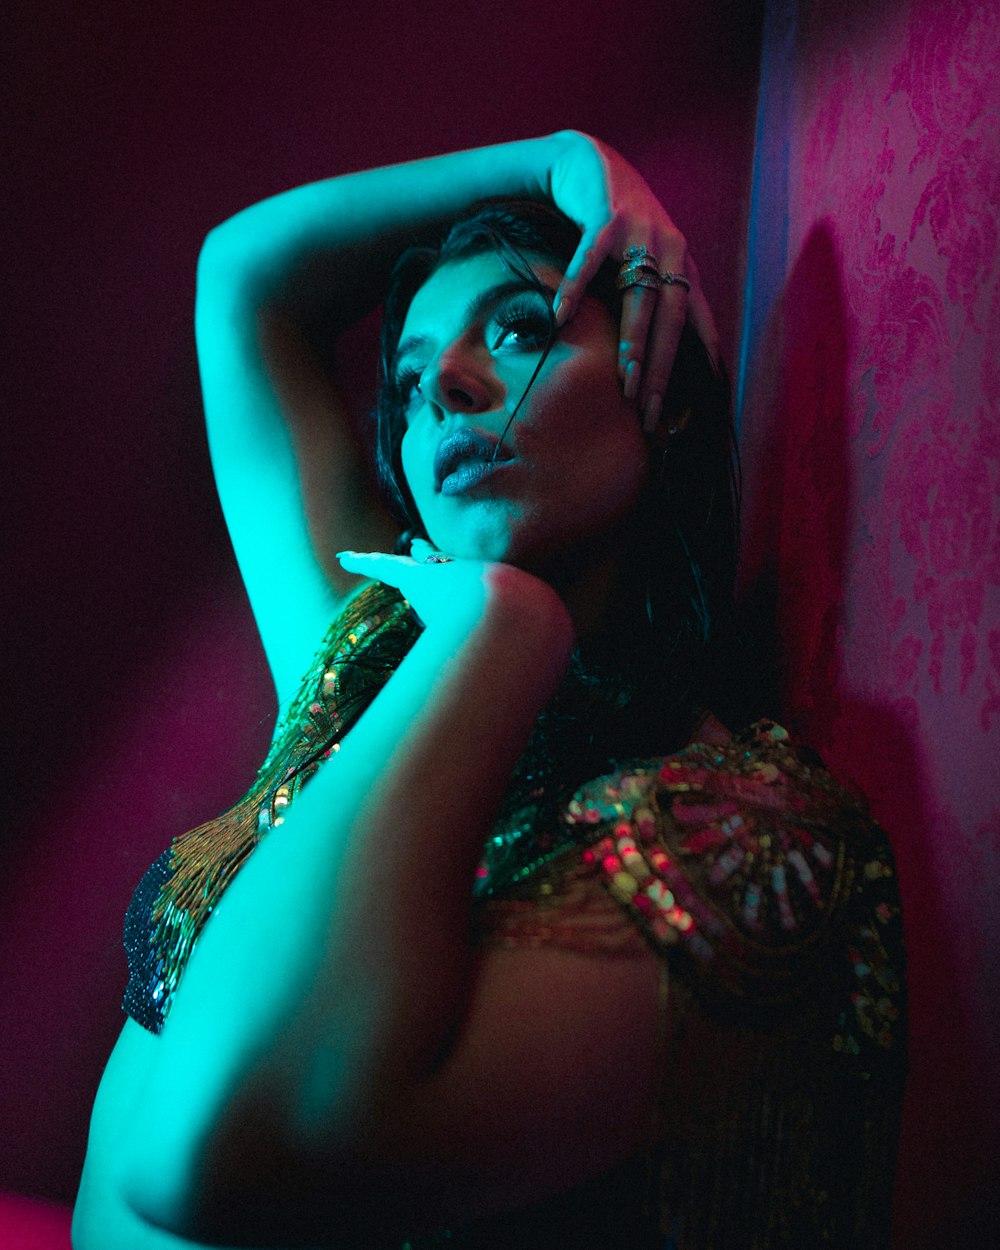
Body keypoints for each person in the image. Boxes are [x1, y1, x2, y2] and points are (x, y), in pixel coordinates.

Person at [73, 131, 906, 1250]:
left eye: (517, 330)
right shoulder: (359, 662)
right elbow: (242, 277)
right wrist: (560, 161)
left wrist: (504, 630)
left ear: (659, 397)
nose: (448, 390)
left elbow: (212, 1149)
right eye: (409, 384)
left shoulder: (749, 831)